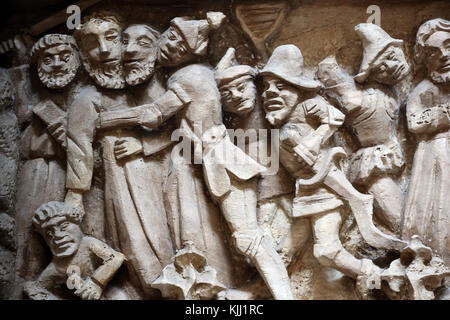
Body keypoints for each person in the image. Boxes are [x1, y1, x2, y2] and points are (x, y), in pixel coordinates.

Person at [261, 44, 401, 296]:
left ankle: (374, 276)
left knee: (325, 250)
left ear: (297, 87)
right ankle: (263, 291)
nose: (270, 92)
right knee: (283, 252)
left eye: (280, 86)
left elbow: (335, 117)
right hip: (305, 192)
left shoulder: (308, 106)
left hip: (326, 189)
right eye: (266, 87)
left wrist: (313, 141)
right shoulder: (280, 122)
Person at [317, 23, 410, 234]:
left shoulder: (390, 93)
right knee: (397, 216)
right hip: (373, 162)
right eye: (383, 66)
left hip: (391, 155)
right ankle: (405, 244)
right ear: (371, 71)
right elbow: (329, 75)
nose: (393, 66)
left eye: (394, 57)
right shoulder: (360, 97)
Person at [402, 18, 450, 264]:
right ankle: (437, 259)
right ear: (424, 59)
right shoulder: (424, 89)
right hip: (437, 153)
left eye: (449, 45)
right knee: (439, 206)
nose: (444, 55)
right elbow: (414, 122)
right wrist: (444, 114)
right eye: (434, 52)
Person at [24, 201, 124, 300]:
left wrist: (96, 283)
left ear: (77, 223)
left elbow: (116, 258)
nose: (57, 236)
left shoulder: (88, 244)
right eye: (49, 234)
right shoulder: (57, 266)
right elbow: (35, 288)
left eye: (63, 226)